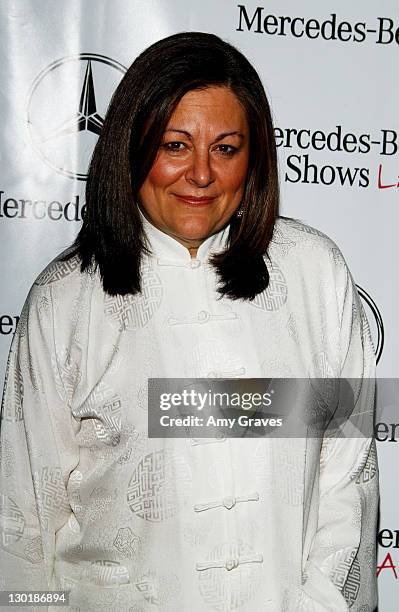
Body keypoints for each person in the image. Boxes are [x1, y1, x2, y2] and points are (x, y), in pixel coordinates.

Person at [0, 31, 378, 611]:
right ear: (132, 145)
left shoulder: (316, 275)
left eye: (226, 149)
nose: (201, 175)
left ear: (254, 160)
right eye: (176, 145)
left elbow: (345, 482)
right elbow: (21, 527)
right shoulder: (64, 302)